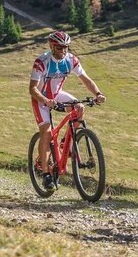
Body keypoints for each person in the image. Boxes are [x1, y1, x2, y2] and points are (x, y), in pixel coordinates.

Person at [29, 31, 106, 190]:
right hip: (41, 99)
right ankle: (46, 174)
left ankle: (66, 143)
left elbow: (85, 79)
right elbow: (32, 89)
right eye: (59, 47)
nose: (63, 50)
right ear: (51, 46)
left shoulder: (71, 60)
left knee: (79, 108)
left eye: (65, 47)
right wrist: (45, 101)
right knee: (47, 132)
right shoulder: (42, 62)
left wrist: (98, 94)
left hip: (57, 95)